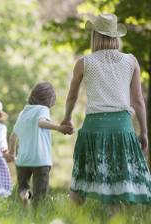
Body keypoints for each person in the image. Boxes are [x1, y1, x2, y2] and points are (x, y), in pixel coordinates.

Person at [61, 14, 151, 207]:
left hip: (94, 126)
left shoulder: (84, 63)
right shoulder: (130, 61)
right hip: (122, 127)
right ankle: (113, 223)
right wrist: (144, 132)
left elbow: (72, 96)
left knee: (81, 181)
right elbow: (138, 100)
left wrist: (67, 118)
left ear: (95, 35)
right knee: (117, 181)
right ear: (115, 36)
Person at [8, 82, 73, 207]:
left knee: (23, 187)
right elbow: (41, 123)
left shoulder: (23, 112)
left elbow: (13, 136)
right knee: (40, 194)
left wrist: (12, 153)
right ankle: (36, 215)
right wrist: (58, 128)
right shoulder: (43, 109)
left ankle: (25, 197)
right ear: (49, 98)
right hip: (40, 159)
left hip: (23, 160)